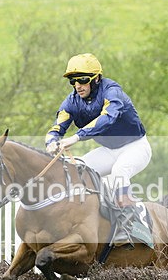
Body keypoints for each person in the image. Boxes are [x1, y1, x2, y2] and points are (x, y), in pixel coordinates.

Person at [45, 53, 153, 247]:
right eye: (73, 81)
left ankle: (133, 225)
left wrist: (76, 137)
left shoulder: (112, 91)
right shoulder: (72, 101)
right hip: (109, 151)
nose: (78, 85)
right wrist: (51, 141)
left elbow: (106, 119)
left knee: (119, 172)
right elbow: (57, 126)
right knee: (78, 167)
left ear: (96, 79)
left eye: (83, 80)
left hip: (136, 147)